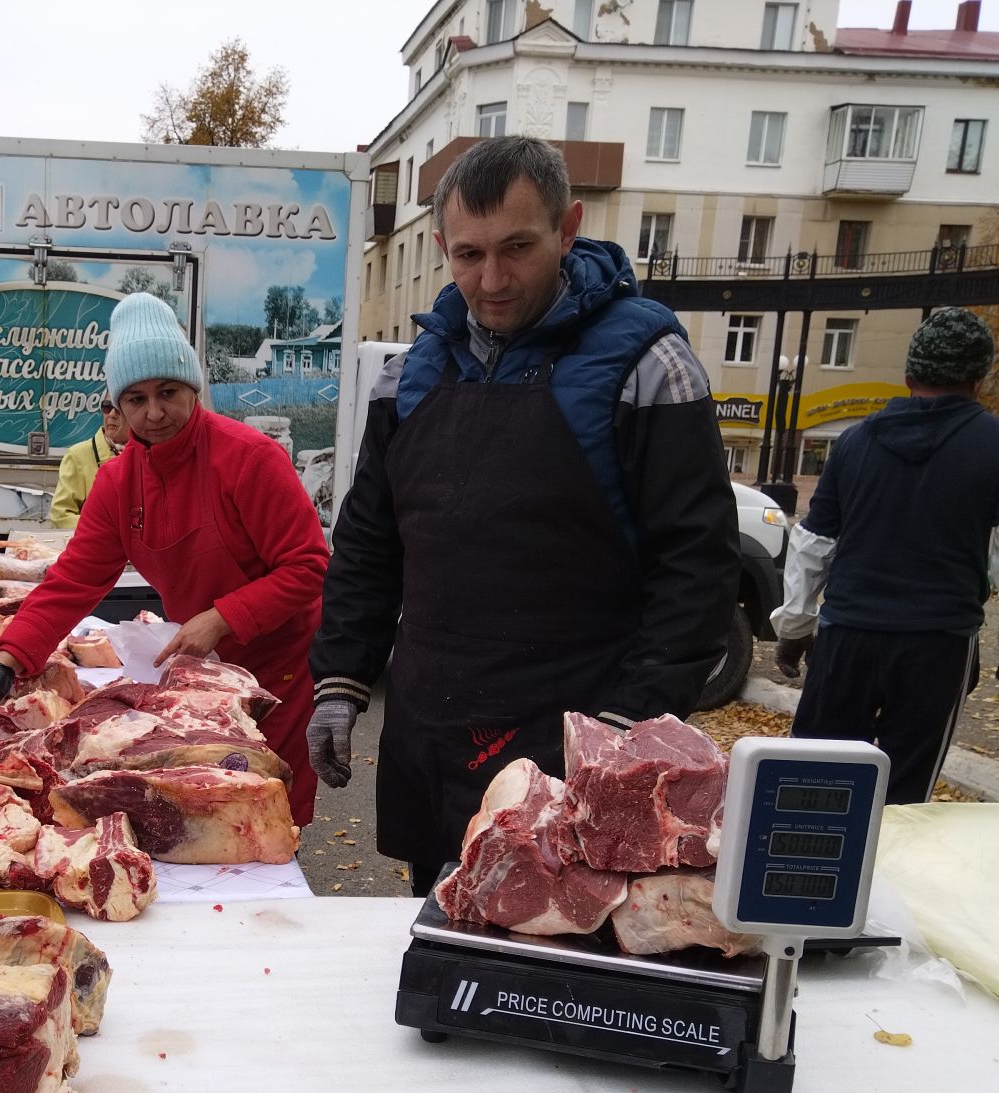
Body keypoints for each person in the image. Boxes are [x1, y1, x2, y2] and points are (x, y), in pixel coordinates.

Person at [308, 137, 739, 895]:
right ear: (441, 245)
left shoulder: (648, 366)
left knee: (555, 971)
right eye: (468, 255)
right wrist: (340, 679)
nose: (492, 280)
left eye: (518, 248)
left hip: (575, 732)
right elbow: (371, 543)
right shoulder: (411, 374)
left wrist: (624, 730)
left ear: (568, 228)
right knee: (444, 943)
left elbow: (696, 565)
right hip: (433, 727)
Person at [0, 291, 330, 826]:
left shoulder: (251, 458)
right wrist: (11, 657)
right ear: (118, 407)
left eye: (168, 392)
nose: (155, 413)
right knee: (196, 815)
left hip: (273, 678)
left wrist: (222, 618)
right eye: (136, 399)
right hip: (196, 679)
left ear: (193, 387)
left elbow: (308, 566)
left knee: (267, 818)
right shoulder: (118, 482)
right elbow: (72, 581)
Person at [774, 308, 999, 805]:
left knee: (815, 780)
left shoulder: (855, 442)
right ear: (978, 378)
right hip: (937, 643)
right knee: (905, 793)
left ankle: (807, 877)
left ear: (908, 375)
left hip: (846, 638)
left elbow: (813, 546)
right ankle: (887, 878)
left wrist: (795, 629)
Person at [49, 396, 128, 528]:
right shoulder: (77, 455)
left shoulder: (148, 454)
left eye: (119, 408)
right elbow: (60, 516)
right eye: (107, 406)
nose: (112, 414)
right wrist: (105, 529)